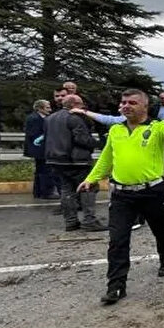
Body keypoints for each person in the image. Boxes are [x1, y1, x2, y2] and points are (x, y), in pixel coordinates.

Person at [79, 88, 164, 305]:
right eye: (123, 102)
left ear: (144, 107)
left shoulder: (156, 128)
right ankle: (116, 286)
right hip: (122, 195)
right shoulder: (115, 131)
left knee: (160, 230)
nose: (125, 106)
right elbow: (106, 159)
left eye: (132, 102)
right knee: (117, 240)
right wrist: (91, 178)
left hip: (153, 192)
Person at [46, 94, 106, 231]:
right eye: (81, 104)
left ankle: (70, 221)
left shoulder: (50, 118)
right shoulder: (75, 118)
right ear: (74, 105)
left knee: (67, 190)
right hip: (76, 160)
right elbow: (81, 139)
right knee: (88, 188)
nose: (83, 106)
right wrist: (99, 143)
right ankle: (89, 220)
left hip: (56, 159)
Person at [24, 99, 58, 199]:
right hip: (40, 149)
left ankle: (39, 192)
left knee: (41, 171)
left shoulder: (40, 117)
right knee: (45, 171)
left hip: (40, 148)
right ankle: (46, 192)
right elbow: (34, 134)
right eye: (47, 107)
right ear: (39, 108)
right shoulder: (35, 118)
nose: (50, 110)